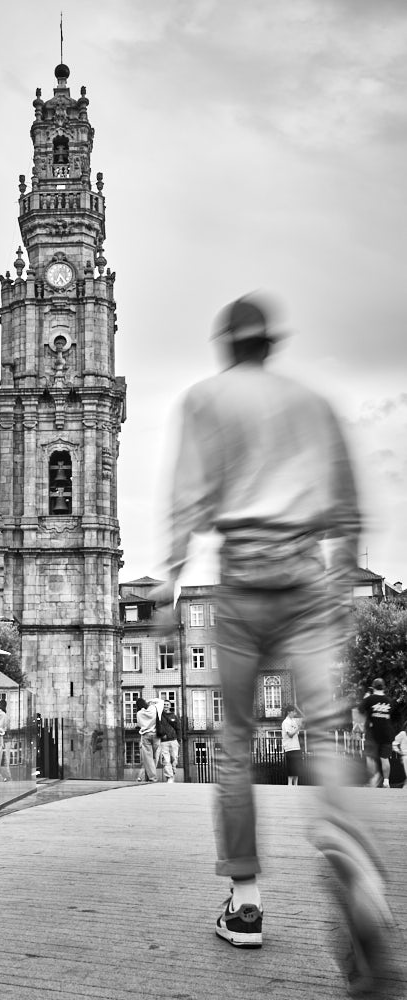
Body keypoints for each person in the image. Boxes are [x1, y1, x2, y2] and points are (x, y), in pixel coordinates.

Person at [152, 293, 393, 991]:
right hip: (307, 579)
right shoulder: (311, 402)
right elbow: (347, 510)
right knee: (323, 734)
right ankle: (350, 858)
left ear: (226, 344)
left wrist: (171, 583)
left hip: (240, 585)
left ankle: (247, 902)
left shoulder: (203, 400)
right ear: (271, 343)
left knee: (231, 742)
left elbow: (186, 502)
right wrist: (338, 586)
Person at [359, 679, 394, 788]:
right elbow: (392, 714)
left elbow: (360, 710)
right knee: (385, 758)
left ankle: (374, 779)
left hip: (372, 733)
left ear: (373, 687)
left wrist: (365, 698)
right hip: (386, 733)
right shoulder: (389, 701)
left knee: (370, 757)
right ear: (383, 687)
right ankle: (386, 782)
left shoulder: (369, 699)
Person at [136, 697, 162, 783]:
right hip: (156, 735)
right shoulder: (154, 709)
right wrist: (148, 701)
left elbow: (139, 724)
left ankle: (152, 777)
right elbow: (160, 701)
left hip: (145, 735)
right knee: (155, 757)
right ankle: (149, 776)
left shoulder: (139, 713)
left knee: (148, 758)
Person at [159, 700, 182, 783]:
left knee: (174, 759)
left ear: (170, 706)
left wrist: (179, 740)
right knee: (166, 760)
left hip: (174, 740)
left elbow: (178, 729)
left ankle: (172, 773)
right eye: (164, 704)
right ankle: (169, 777)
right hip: (163, 741)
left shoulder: (174, 716)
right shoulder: (159, 716)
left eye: (167, 705)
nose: (165, 706)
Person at [281, 706, 302, 786]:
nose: (295, 713)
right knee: (291, 768)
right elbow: (290, 735)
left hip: (296, 746)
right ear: (289, 712)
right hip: (290, 748)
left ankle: (296, 785)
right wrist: (298, 728)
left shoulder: (293, 721)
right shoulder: (286, 722)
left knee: (296, 768)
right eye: (293, 712)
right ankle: (290, 785)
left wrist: (298, 726)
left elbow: (296, 733)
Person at [392, 721, 407, 789]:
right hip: (405, 757)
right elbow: (394, 743)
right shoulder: (403, 733)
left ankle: (404, 787)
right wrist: (399, 751)